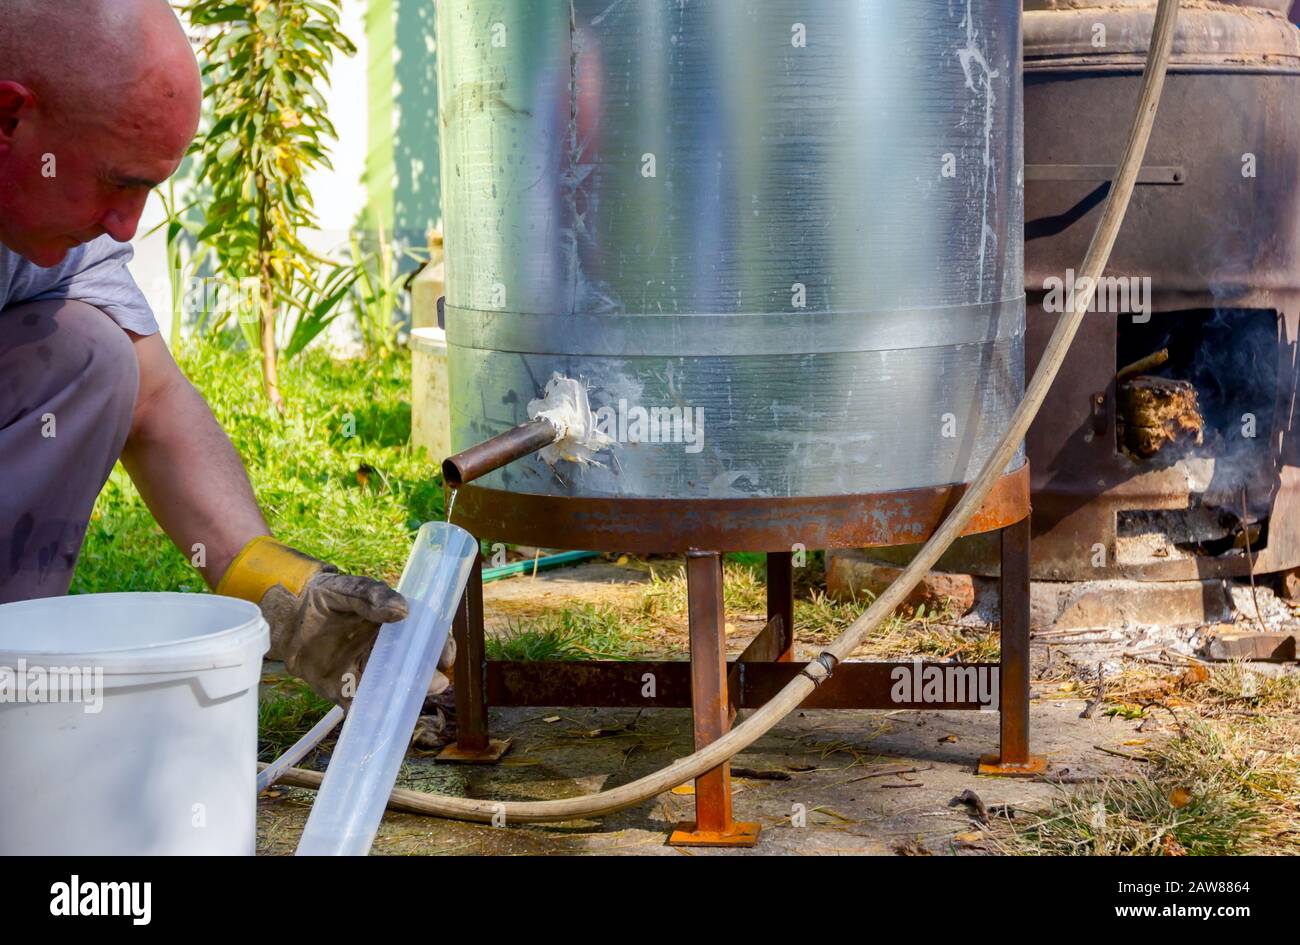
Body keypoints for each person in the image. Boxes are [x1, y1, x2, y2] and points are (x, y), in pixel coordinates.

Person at [0, 0, 453, 706]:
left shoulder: (60, 223)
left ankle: (9, 663)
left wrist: (279, 593)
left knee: (93, 356)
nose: (127, 228)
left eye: (148, 189)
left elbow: (150, 400)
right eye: (118, 183)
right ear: (9, 117)